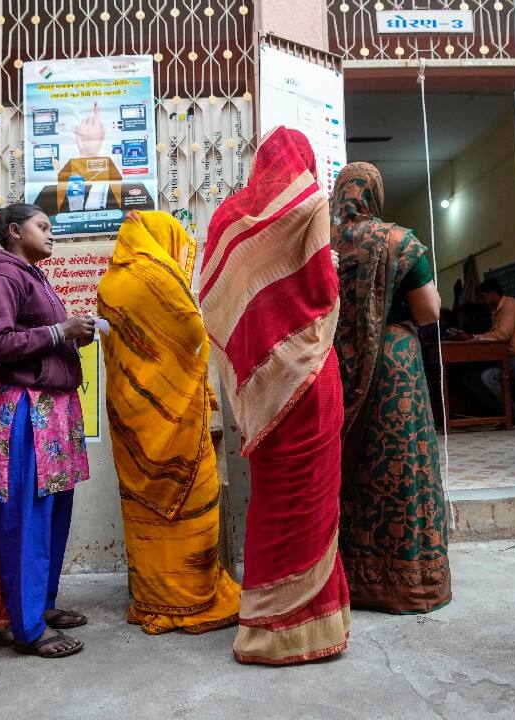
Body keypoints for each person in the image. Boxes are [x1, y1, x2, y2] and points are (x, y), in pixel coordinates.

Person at [199, 126, 350, 665]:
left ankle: (265, 628)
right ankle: (308, 627)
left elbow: (215, 300)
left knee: (274, 496)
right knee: (313, 499)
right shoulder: (310, 201)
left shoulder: (227, 221)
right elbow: (325, 290)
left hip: (265, 388)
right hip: (312, 372)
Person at [96, 209, 241, 635]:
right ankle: (191, 597)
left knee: (142, 507)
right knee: (195, 499)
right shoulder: (157, 275)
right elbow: (194, 332)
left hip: (129, 412)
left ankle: (153, 598)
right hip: (174, 416)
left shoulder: (110, 281)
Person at [0, 203, 96, 658]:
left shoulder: (30, 274)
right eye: (41, 226)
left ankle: (39, 607)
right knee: (27, 515)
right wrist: (58, 332)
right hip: (26, 410)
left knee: (53, 512)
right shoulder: (0, 275)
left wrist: (66, 334)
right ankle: (27, 628)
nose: (51, 233)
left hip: (53, 409)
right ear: (12, 231)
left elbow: (38, 334)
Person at [330, 162, 452, 614]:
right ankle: (411, 583)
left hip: (338, 366)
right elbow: (428, 312)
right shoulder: (399, 241)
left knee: (351, 466)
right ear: (375, 195)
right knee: (401, 465)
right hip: (393, 367)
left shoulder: (323, 244)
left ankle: (348, 578)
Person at [464, 278, 515, 424]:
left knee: (489, 376)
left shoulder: (510, 305)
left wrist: (475, 338)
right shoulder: (496, 310)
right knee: (471, 376)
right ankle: (501, 412)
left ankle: (513, 415)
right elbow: (495, 334)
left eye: (483, 297)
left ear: (493, 294)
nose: (481, 301)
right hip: (507, 357)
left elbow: (502, 335)